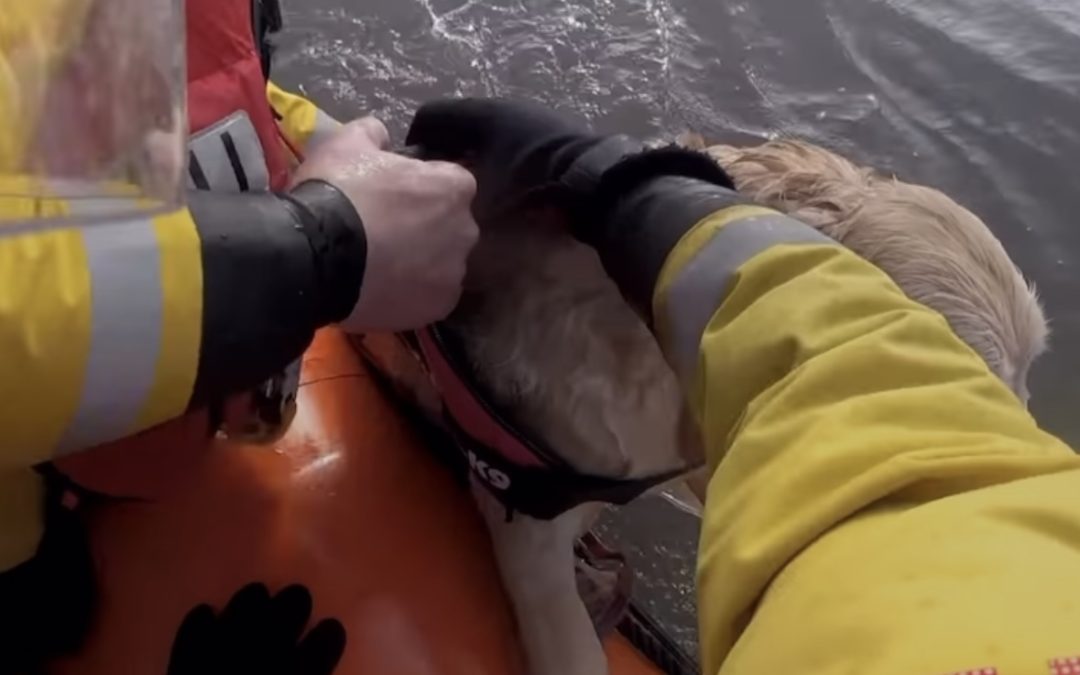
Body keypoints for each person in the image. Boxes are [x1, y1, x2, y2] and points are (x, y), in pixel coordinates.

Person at [405, 99, 1080, 675]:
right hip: (547, 404)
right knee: (540, 545)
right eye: (957, 367)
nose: (1016, 427)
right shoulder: (579, 368)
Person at [0, 0, 477, 669]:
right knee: (40, 607)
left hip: (142, 435)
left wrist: (343, 156)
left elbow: (221, 82)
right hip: (30, 487)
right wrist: (315, 249)